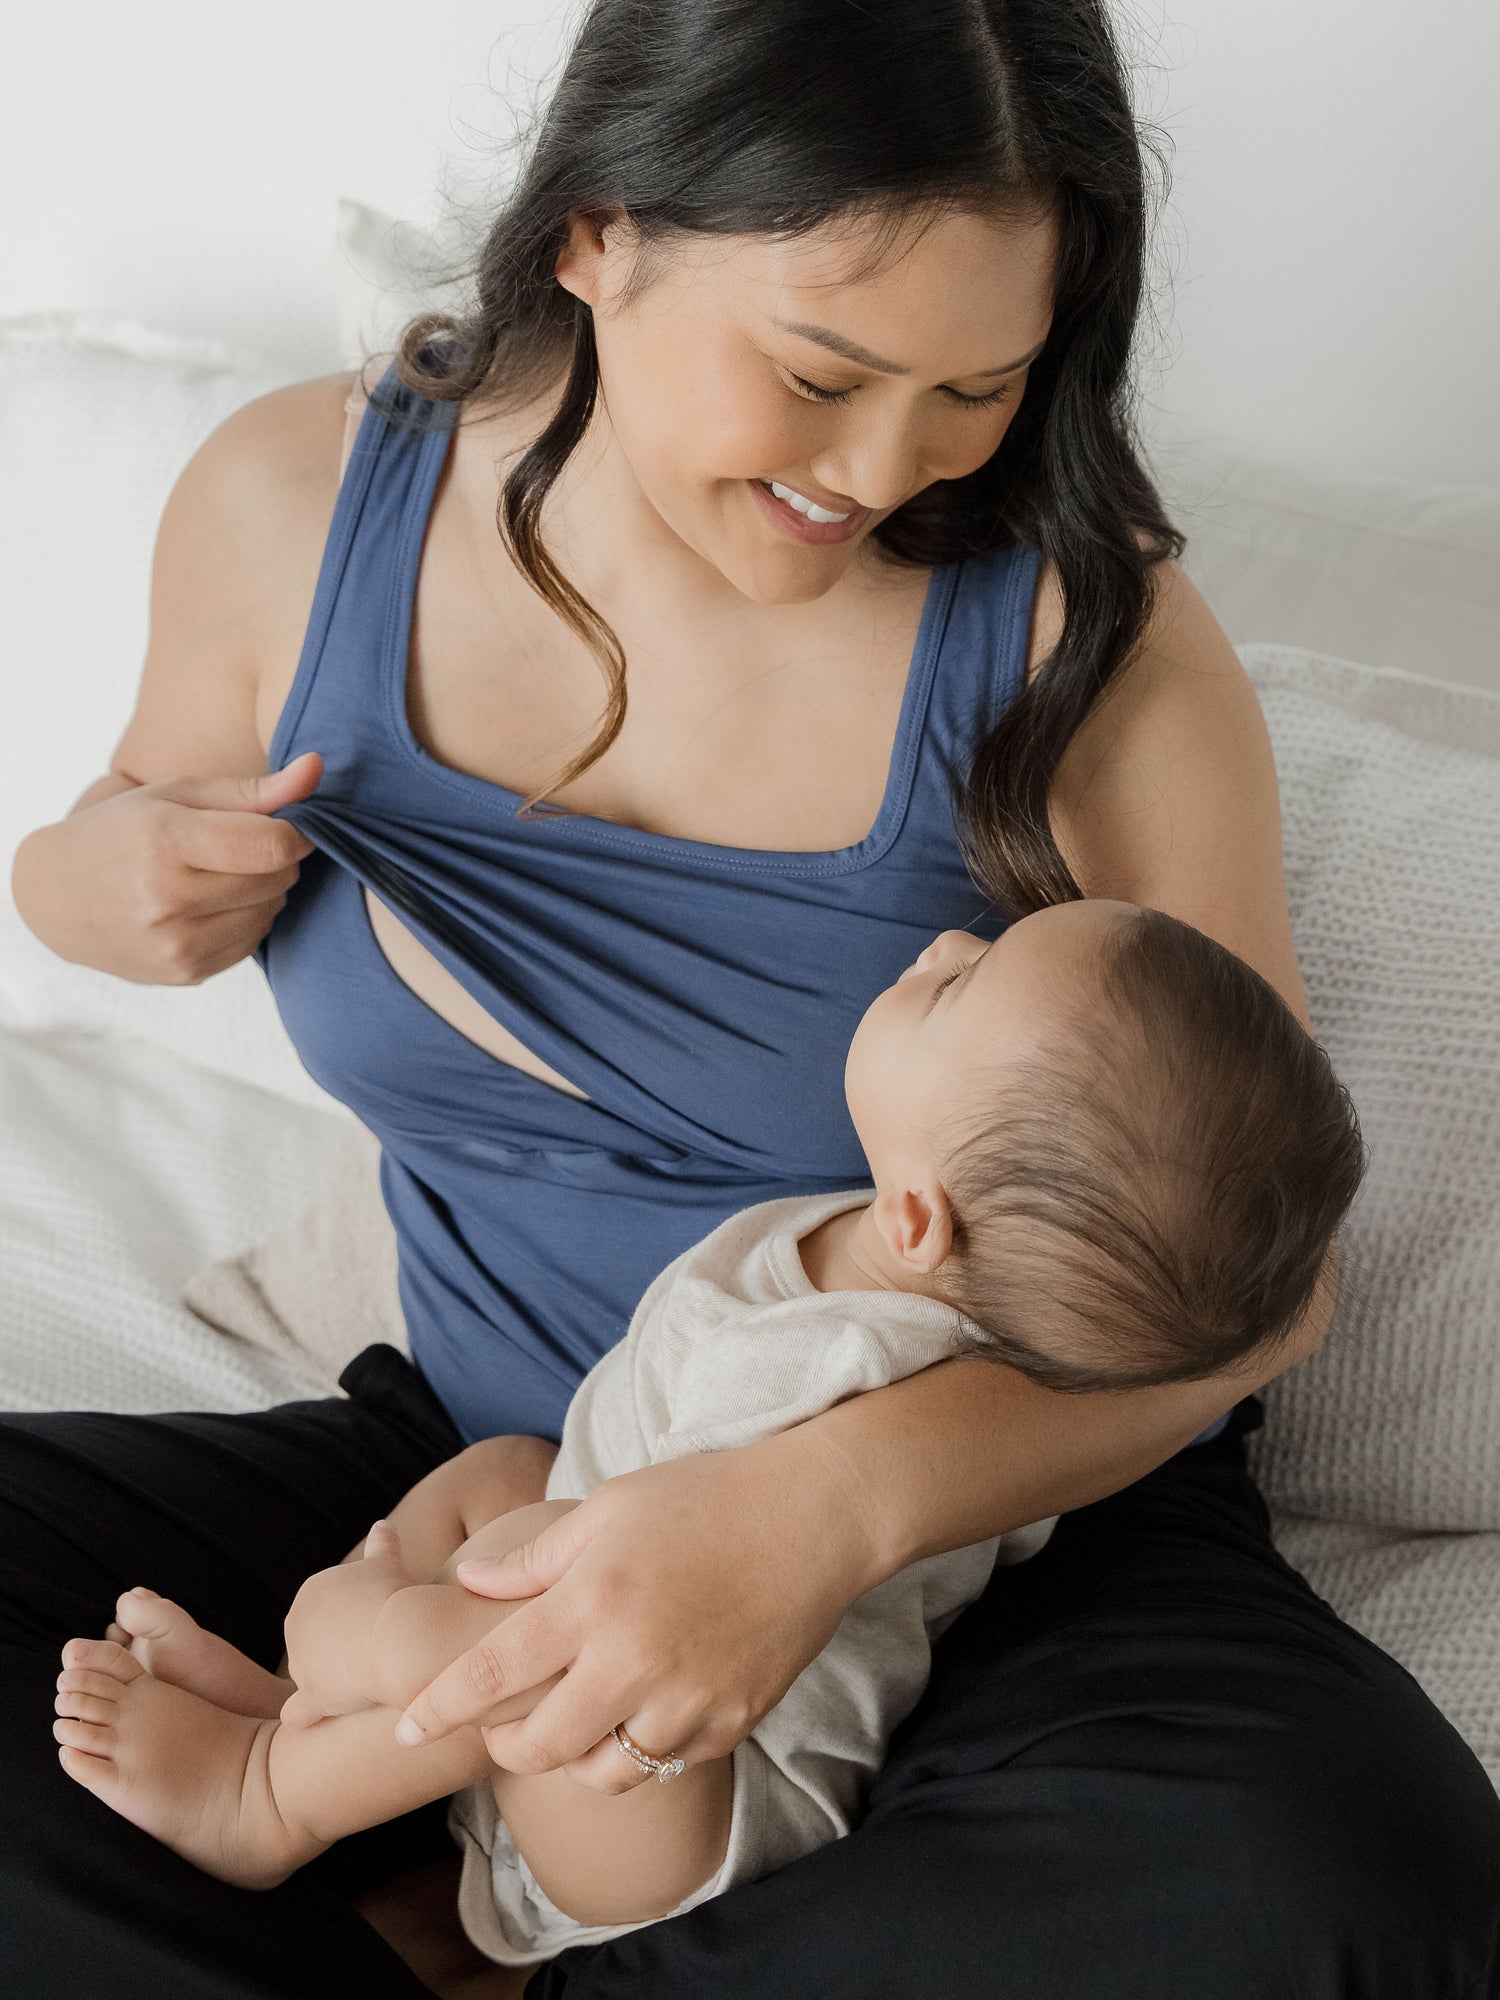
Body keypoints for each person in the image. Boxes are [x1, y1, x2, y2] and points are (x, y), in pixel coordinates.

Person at [8, 2, 1498, 1994]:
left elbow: (1267, 1276)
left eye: (980, 384)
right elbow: (113, 835)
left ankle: (445, 1914)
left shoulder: (1082, 638)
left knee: (1342, 1879)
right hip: (489, 1467)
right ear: (596, 235)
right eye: (824, 371)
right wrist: (87, 879)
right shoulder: (298, 506)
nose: (887, 469)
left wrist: (824, 1500)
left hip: (987, 1530)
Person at [53, 901, 1366, 1971]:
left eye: (963, 987)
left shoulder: (837, 1362)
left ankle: (272, 1792)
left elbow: (628, 1613)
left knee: (516, 1575)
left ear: (923, 1222)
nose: (948, 943)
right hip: (625, 1653)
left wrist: (375, 1615)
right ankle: (320, 1713)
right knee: (514, 1483)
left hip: (685, 1805)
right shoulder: (924, 1274)